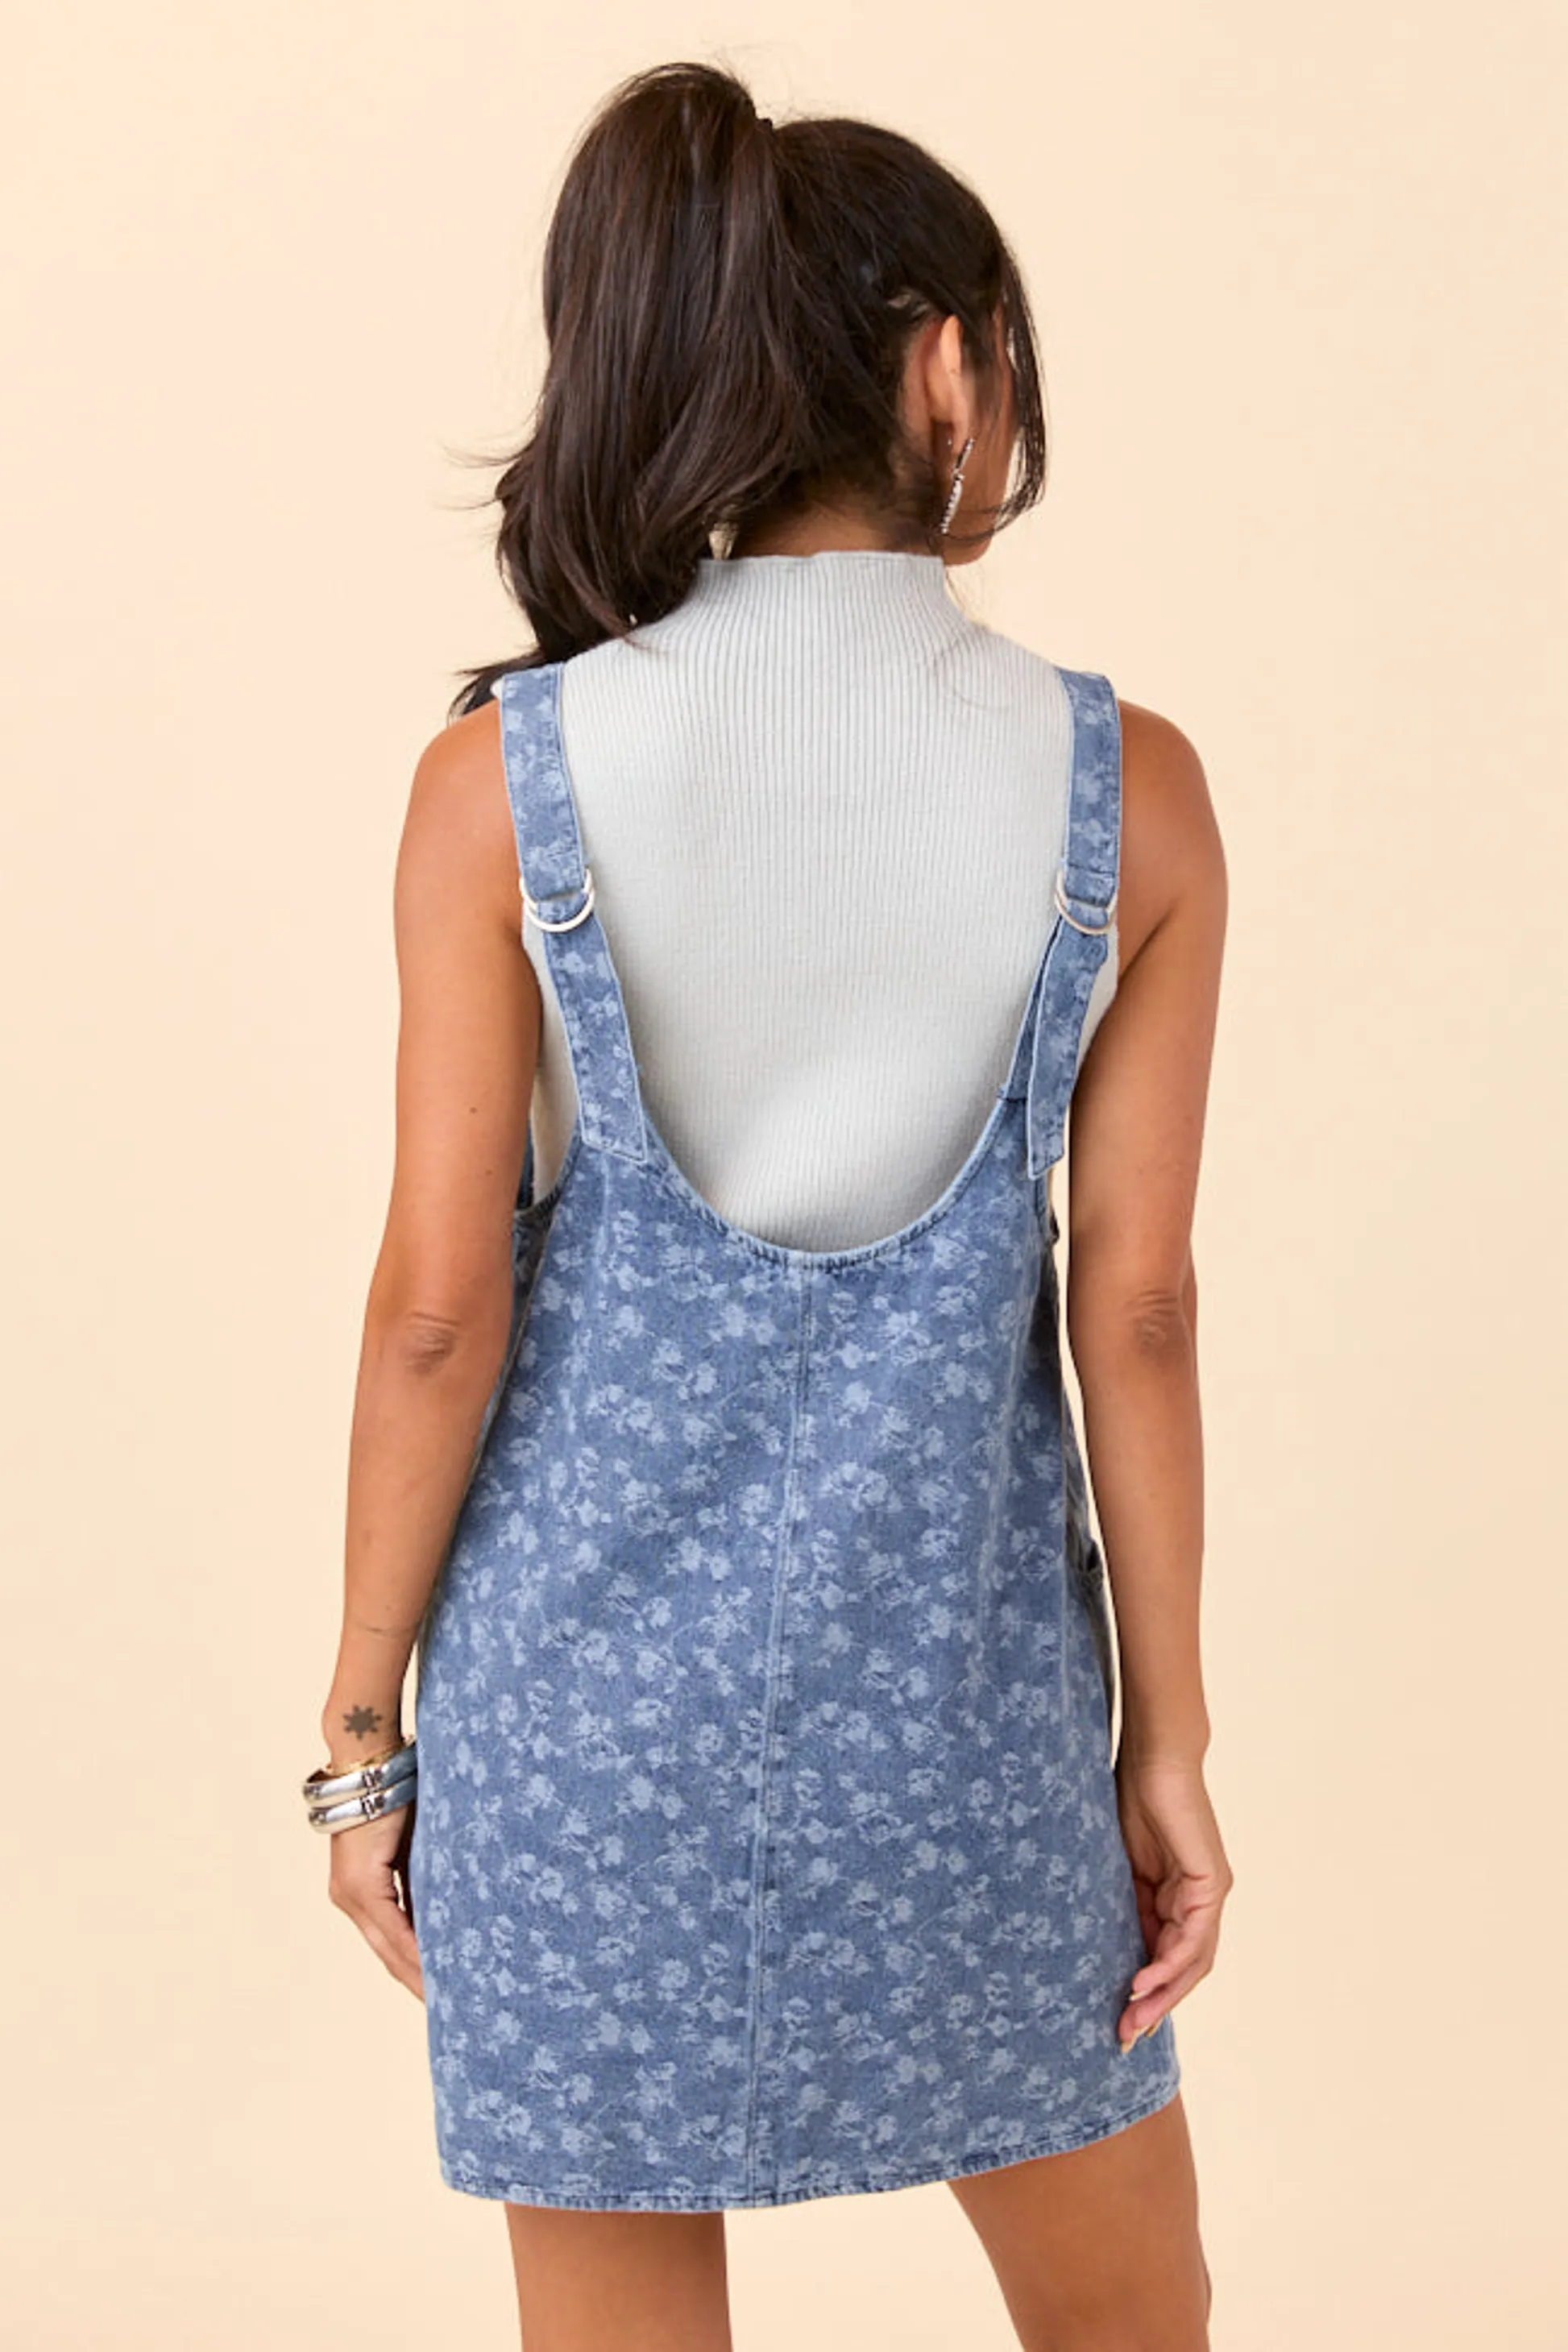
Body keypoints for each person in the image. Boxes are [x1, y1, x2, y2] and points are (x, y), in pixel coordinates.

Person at [304, 57, 1231, 2352]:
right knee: (1132, 2317)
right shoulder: (1131, 789)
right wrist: (1168, 1741)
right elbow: (1136, 1316)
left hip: (586, 1743)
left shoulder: (499, 782)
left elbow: (437, 1309)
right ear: (947, 370)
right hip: (968, 1734)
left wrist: (360, 1730)